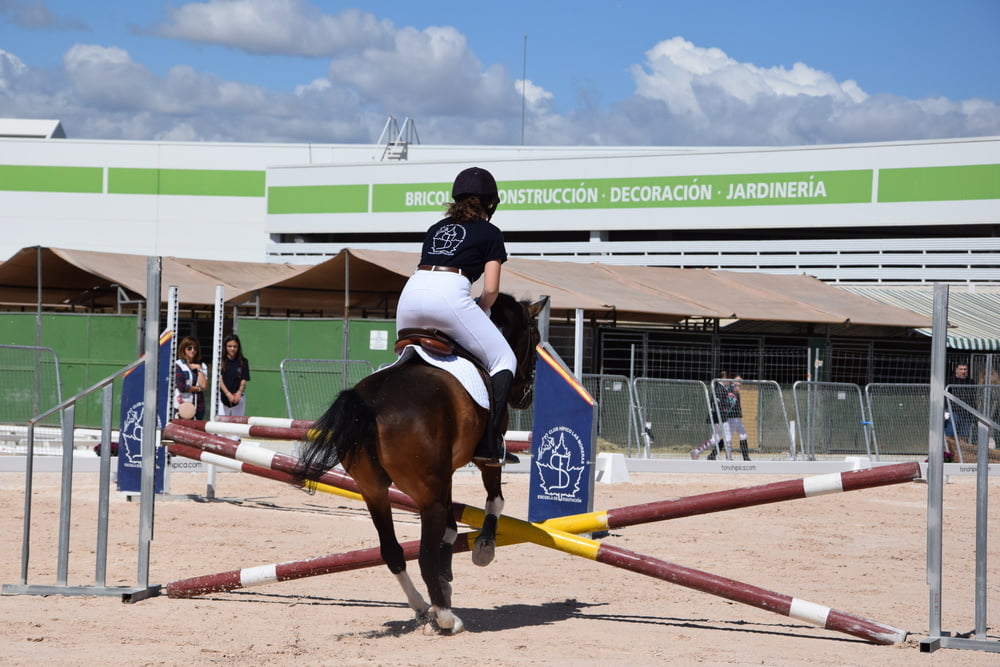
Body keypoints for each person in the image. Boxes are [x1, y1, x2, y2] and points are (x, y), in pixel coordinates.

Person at [395, 166, 515, 466]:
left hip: (410, 294)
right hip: (449, 293)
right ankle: (489, 443)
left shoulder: (437, 228)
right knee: (505, 360)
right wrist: (482, 308)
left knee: (409, 356)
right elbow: (491, 288)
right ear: (490, 201)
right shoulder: (491, 233)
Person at [691, 374, 729, 460]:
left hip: (717, 417)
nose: (729, 381)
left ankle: (697, 451)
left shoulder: (720, 388)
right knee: (727, 436)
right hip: (720, 418)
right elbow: (718, 405)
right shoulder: (719, 389)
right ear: (723, 378)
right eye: (727, 378)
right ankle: (728, 457)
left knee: (715, 438)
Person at [174, 336, 208, 420]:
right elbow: (182, 387)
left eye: (195, 348)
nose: (193, 350)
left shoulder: (202, 365)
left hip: (198, 406)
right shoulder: (178, 365)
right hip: (181, 406)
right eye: (189, 348)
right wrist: (197, 389)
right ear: (183, 349)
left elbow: (204, 386)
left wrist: (199, 369)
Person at [217, 333, 251, 417]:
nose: (232, 349)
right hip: (223, 396)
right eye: (229, 346)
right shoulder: (221, 361)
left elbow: (244, 379)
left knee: (238, 422)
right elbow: (219, 379)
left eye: (235, 346)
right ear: (225, 347)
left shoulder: (243, 361)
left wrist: (239, 393)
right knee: (222, 422)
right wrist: (228, 394)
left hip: (238, 397)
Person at [722, 376, 751, 461]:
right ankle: (728, 456)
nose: (739, 385)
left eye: (740, 383)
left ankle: (745, 456)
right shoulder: (730, 391)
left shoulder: (736, 392)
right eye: (738, 382)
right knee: (729, 437)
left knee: (743, 435)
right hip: (731, 418)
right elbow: (728, 405)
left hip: (737, 418)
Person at [946, 362, 976, 444]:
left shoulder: (971, 381)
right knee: (950, 435)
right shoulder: (950, 381)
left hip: (967, 413)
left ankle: (962, 455)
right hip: (953, 412)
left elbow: (973, 398)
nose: (963, 371)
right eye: (961, 369)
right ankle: (948, 454)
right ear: (956, 370)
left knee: (963, 437)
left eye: (965, 369)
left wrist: (974, 414)